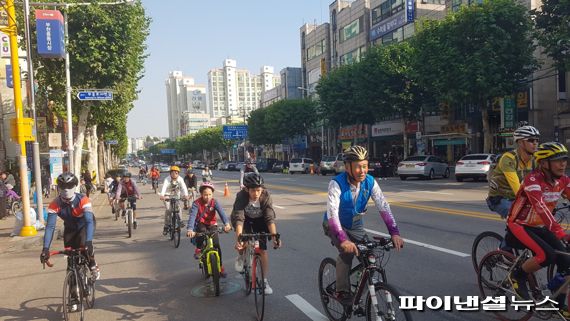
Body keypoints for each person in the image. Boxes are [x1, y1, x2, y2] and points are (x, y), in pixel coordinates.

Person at [322, 145, 404, 305]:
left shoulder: (370, 182)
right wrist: (343, 239)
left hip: (355, 224)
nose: (362, 170)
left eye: (365, 166)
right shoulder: (336, 183)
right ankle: (342, 290)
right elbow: (332, 213)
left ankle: (360, 286)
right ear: (347, 167)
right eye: (358, 167)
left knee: (370, 256)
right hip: (334, 224)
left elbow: (383, 206)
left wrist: (394, 232)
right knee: (347, 253)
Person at [507, 142, 570, 303]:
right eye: (557, 160)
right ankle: (517, 276)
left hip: (540, 226)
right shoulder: (532, 180)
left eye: (564, 159)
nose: (563, 163)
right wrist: (560, 232)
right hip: (520, 225)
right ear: (543, 163)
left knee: (566, 262)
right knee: (545, 255)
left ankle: (558, 300)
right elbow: (541, 208)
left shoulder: (563, 180)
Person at [40, 173, 99, 312]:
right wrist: (45, 249)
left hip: (85, 225)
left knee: (84, 246)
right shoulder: (55, 204)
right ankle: (73, 298)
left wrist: (89, 242)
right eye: (63, 186)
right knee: (71, 263)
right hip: (70, 229)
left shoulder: (83, 199)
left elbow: (89, 221)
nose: (66, 189)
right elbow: (50, 227)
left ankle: (92, 264)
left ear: (75, 186)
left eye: (69, 186)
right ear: (58, 187)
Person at [231, 172, 280, 295]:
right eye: (253, 191)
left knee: (262, 250)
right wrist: (239, 240)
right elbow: (239, 219)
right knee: (243, 242)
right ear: (247, 189)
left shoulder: (265, 196)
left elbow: (269, 218)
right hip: (245, 220)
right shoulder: (242, 196)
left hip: (260, 220)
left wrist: (275, 237)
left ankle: (264, 281)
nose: (256, 194)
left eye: (258, 190)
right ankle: (241, 256)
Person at [487, 125, 540, 218]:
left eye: (537, 140)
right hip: (501, 198)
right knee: (521, 217)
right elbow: (517, 189)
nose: (535, 143)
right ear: (520, 142)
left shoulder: (535, 159)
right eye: (531, 140)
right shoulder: (509, 158)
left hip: (520, 198)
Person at [187, 182, 232, 276]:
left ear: (212, 194)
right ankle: (199, 248)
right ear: (201, 194)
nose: (208, 197)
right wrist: (190, 229)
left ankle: (220, 267)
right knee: (201, 232)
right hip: (201, 224)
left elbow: (222, 213)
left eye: (210, 194)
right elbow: (192, 217)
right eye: (205, 194)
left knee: (216, 245)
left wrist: (227, 224)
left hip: (212, 224)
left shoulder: (214, 202)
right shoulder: (196, 203)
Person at [160, 166, 189, 235]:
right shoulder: (167, 179)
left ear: (178, 173)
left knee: (178, 208)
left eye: (176, 173)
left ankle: (181, 221)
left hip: (176, 195)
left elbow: (184, 187)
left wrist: (186, 195)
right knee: (168, 210)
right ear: (170, 173)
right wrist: (162, 195)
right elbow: (164, 187)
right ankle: (166, 226)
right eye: (172, 172)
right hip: (167, 195)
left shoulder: (180, 179)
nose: (174, 174)